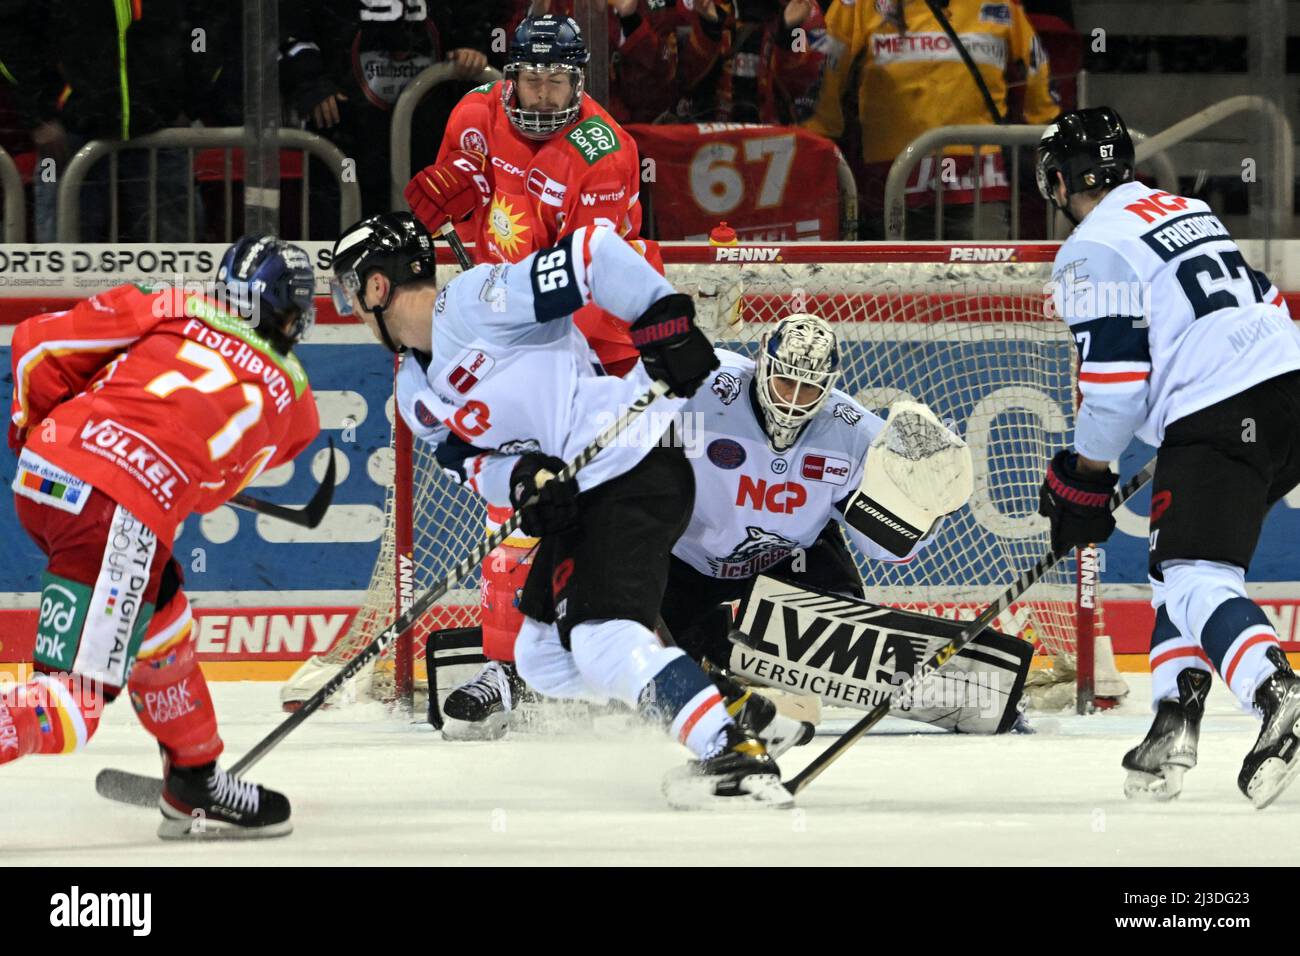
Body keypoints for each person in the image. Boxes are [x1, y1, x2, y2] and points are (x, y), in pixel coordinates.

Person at [329, 211, 793, 809]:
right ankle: (726, 706)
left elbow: (593, 255)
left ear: (375, 286)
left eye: (349, 289)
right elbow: (469, 464)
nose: (352, 308)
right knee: (541, 656)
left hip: (632, 465)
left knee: (602, 638)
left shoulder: (473, 303)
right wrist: (523, 481)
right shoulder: (413, 390)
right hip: (586, 501)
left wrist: (661, 319)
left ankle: (730, 755)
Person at [2, 237, 321, 838]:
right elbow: (209, 488)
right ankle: (189, 778)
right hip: (121, 508)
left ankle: (193, 780)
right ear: (290, 312)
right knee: (70, 705)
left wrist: (41, 431)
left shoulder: (169, 304)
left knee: (163, 616)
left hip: (47, 475)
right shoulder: (297, 403)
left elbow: (34, 347)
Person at [400, 14, 664, 738]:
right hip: (515, 333)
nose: (543, 93)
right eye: (531, 77)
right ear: (509, 72)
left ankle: (656, 650)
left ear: (580, 80)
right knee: (518, 502)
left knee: (621, 504)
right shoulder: (475, 113)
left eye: (558, 79)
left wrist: (509, 339)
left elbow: (591, 279)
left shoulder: (602, 151)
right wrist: (443, 195)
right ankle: (507, 665)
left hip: (601, 343)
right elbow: (460, 191)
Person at [1035, 106, 1300, 808]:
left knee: (1193, 574)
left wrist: (1086, 477)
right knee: (1177, 563)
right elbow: (1264, 298)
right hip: (1287, 386)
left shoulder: (1093, 248)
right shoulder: (1185, 208)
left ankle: (1277, 691)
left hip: (1223, 409)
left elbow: (1117, 393)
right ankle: (1171, 725)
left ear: (1060, 180)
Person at [806, 0, 1058, 239]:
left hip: (981, 184)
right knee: (900, 282)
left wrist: (1046, 124)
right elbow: (826, 70)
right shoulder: (858, 5)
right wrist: (816, 139)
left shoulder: (1002, 5)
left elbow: (1038, 72)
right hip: (894, 185)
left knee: (984, 281)